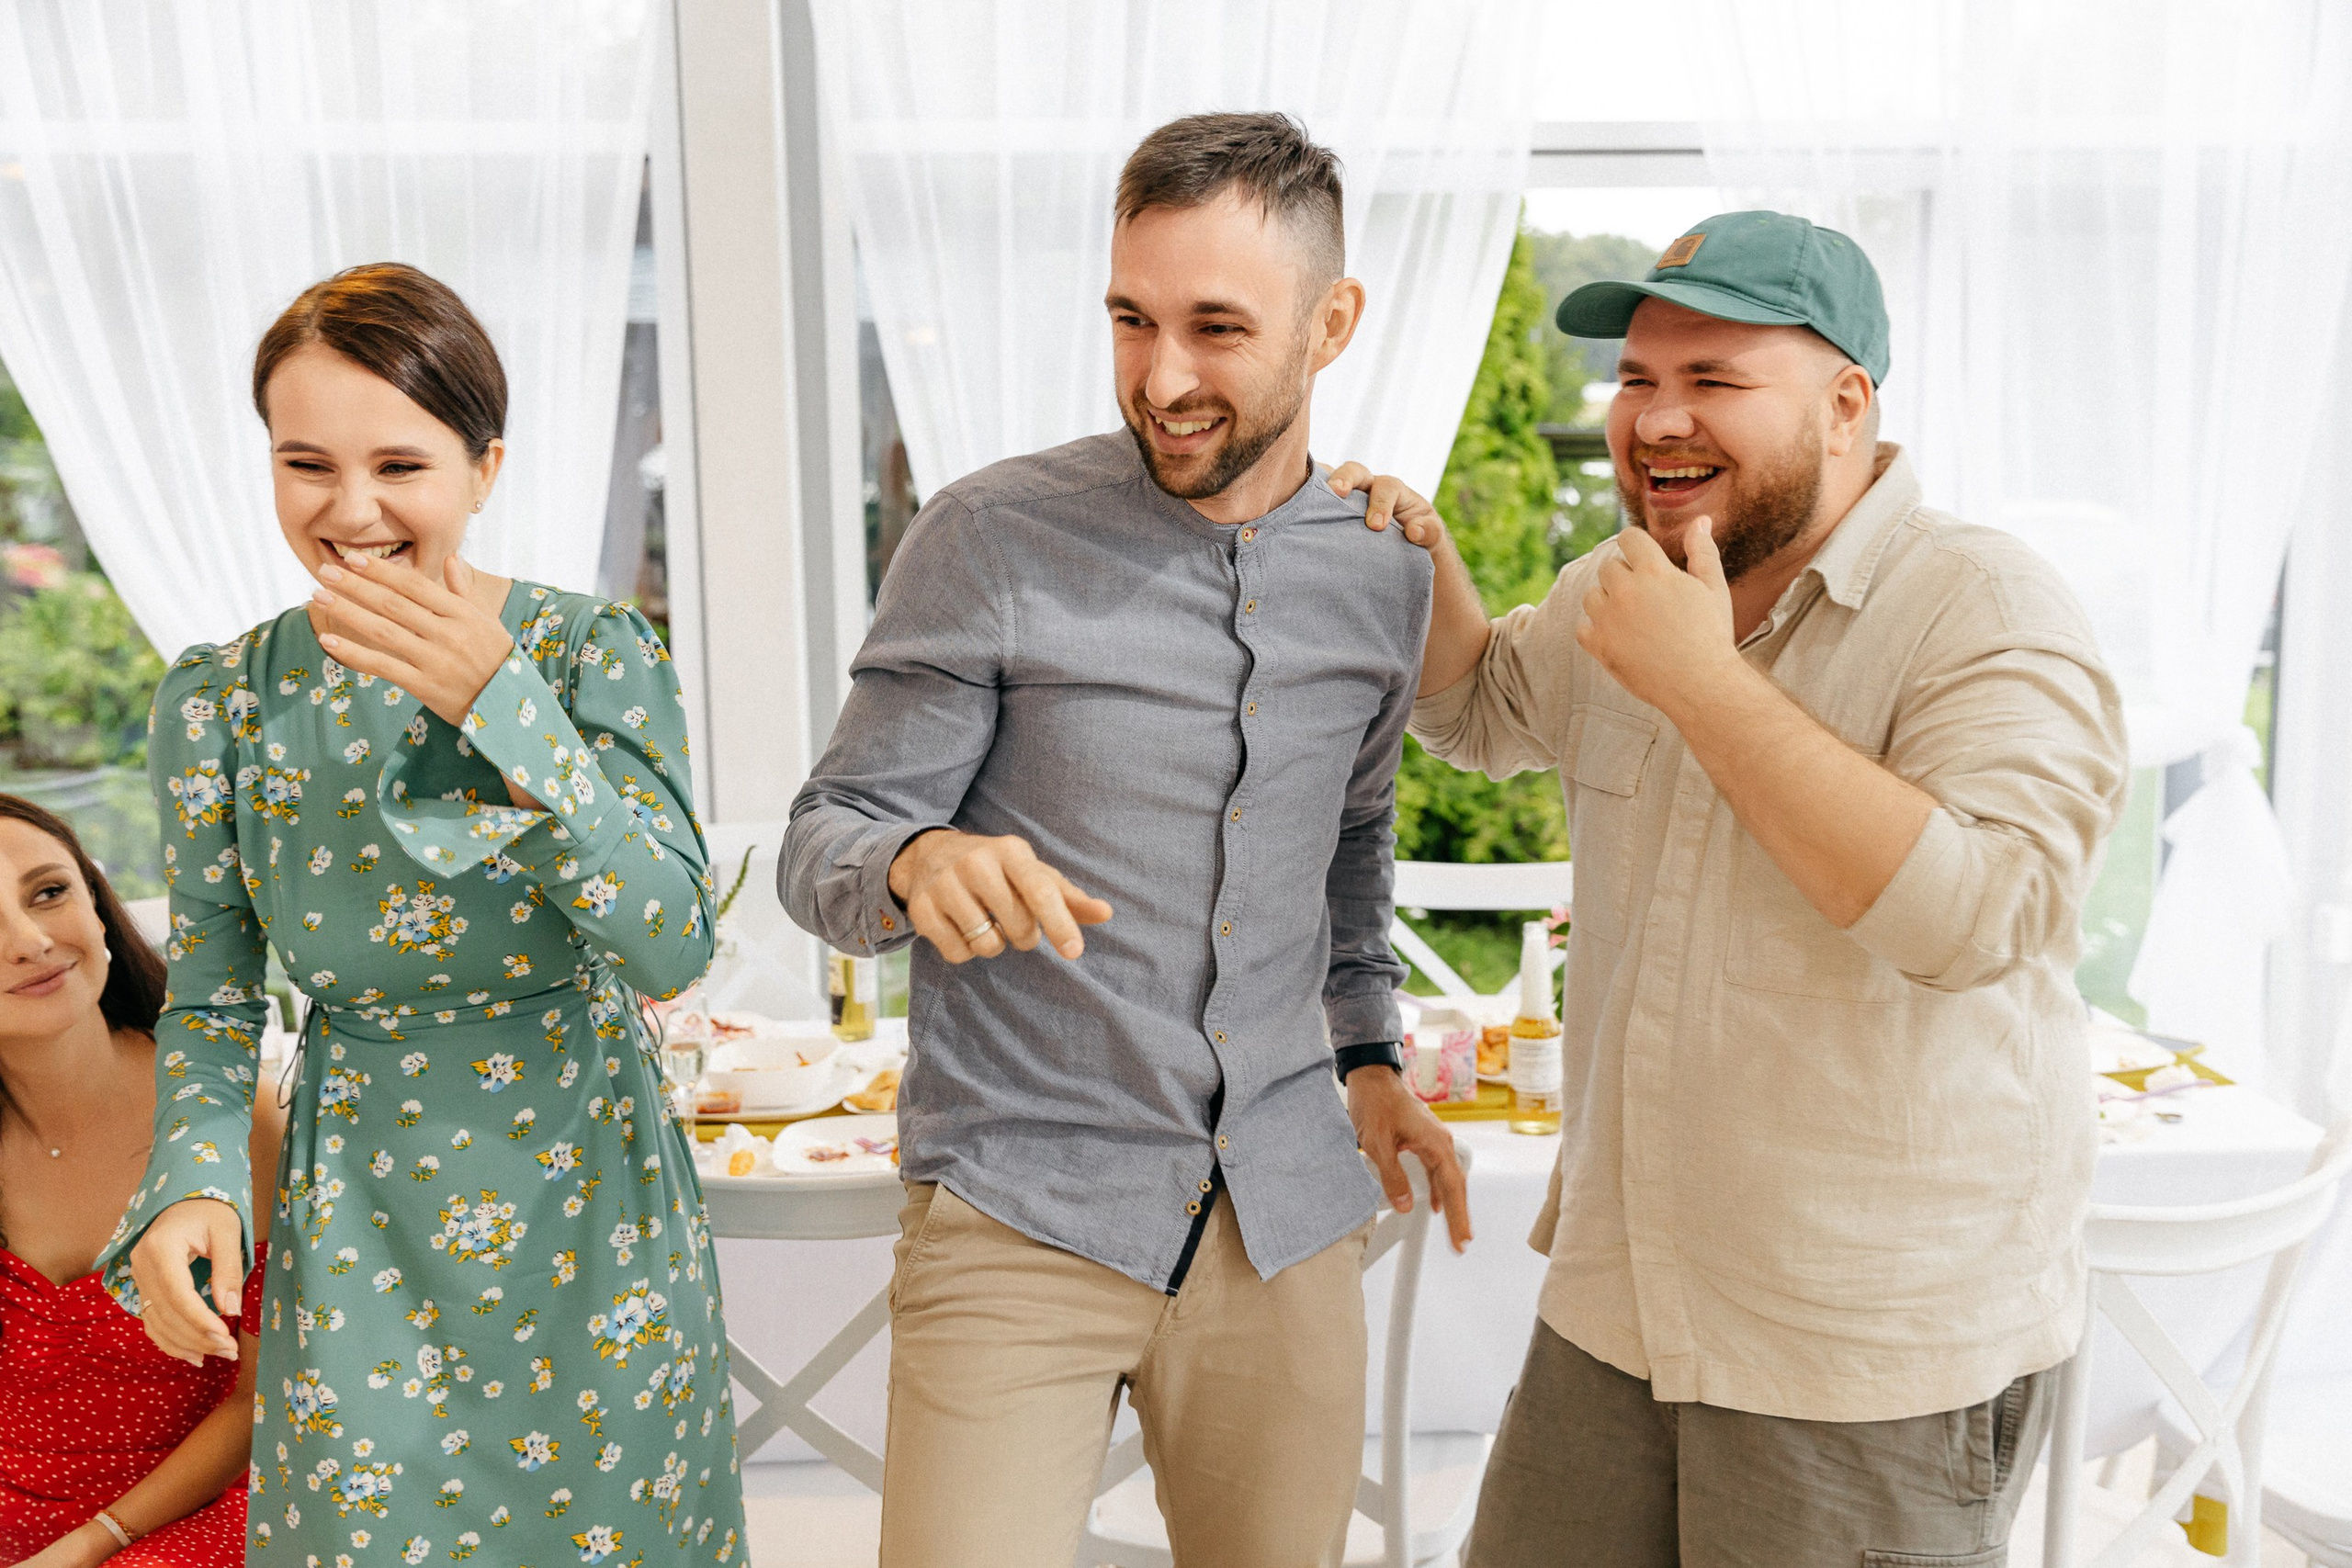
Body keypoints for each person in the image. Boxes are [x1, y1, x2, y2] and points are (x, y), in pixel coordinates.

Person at [1340, 210, 2130, 1565]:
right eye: (1639, 377)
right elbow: (1483, 709)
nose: (1653, 417)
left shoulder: (1987, 606)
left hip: (1863, 1355)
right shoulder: (1627, 583)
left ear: (1844, 406)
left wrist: (1706, 683)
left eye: (1713, 379)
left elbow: (1978, 915)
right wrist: (1425, 569)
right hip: (1621, 1304)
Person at [783, 111, 1469, 1568]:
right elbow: (826, 835)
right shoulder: (989, 537)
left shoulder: (1382, 572)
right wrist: (913, 863)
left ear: (1332, 322)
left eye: (1219, 327)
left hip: (1283, 1213)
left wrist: (1370, 1061)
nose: (1164, 376)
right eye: (1131, 318)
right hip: (1019, 1203)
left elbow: (1347, 856)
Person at [92, 264, 745, 1565]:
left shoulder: (591, 652)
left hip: (591, 1200)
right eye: (305, 463)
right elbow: (216, 991)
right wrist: (194, 1184)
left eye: (401, 462)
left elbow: (670, 936)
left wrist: (508, 707)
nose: (353, 509)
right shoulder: (223, 697)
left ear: (484, 465)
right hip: (363, 1216)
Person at [0, 795, 282, 1568]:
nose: (30, 942)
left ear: (96, 902)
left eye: (48, 892)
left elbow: (260, 1398)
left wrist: (93, 1544)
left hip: (195, 1512)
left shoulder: (230, 1112)